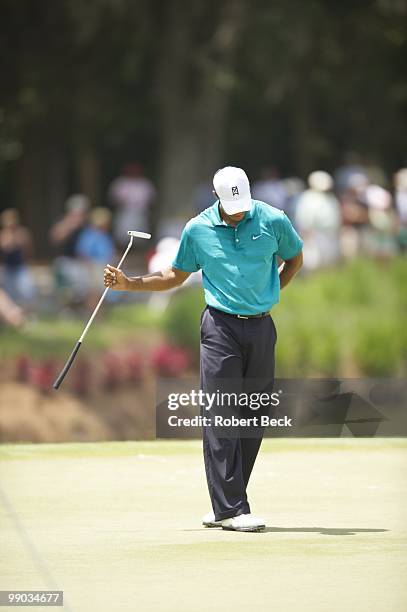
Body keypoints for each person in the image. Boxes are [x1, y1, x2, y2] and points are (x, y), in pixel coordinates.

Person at [104, 166, 303, 532]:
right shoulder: (198, 228)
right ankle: (231, 508)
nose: (239, 211)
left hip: (261, 327)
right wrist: (129, 284)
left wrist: (271, 290)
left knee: (252, 416)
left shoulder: (273, 220)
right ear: (216, 198)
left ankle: (227, 500)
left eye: (242, 203)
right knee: (221, 415)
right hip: (220, 328)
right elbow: (174, 275)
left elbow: (295, 258)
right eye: (231, 205)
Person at [294, 171, 341, 270]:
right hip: (314, 234)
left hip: (330, 234)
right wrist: (306, 234)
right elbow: (304, 218)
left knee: (329, 261)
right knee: (313, 262)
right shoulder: (308, 198)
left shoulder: (331, 198)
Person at [108, 162, 156, 246]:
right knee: (122, 236)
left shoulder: (145, 183)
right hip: (124, 213)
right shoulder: (120, 182)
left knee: (140, 236)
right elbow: (113, 198)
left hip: (140, 213)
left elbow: (151, 199)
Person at [0, 208, 35, 305]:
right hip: (8, 267)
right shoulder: (3, 234)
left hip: (21, 267)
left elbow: (29, 248)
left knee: (27, 291)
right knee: (10, 294)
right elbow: (5, 247)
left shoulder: (23, 232)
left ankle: (27, 312)